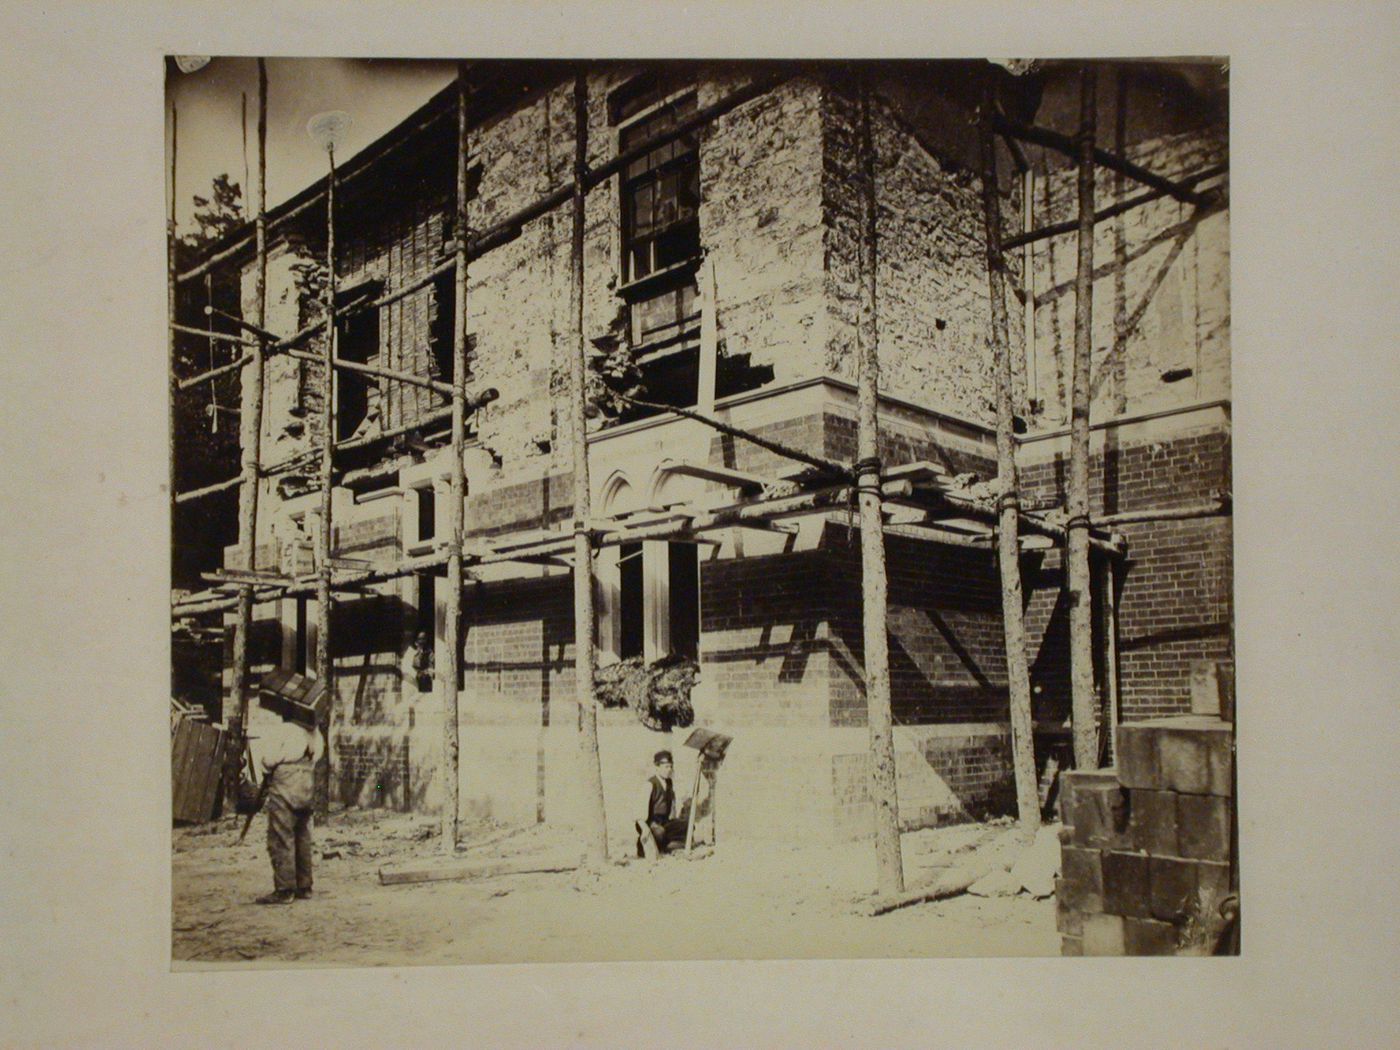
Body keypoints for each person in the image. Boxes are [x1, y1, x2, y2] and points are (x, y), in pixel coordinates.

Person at [255, 711, 325, 904]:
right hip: (306, 780)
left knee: (281, 834)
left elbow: (269, 759)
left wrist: (265, 769)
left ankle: (285, 889)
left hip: (285, 780)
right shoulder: (315, 733)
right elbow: (318, 756)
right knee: (302, 833)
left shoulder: (285, 730)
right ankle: (304, 885)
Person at [636, 750, 690, 858]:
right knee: (659, 832)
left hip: (664, 822)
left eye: (670, 767)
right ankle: (643, 847)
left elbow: (672, 804)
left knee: (687, 825)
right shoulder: (650, 784)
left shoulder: (669, 782)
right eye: (666, 767)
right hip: (650, 823)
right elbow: (639, 812)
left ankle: (666, 844)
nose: (669, 770)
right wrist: (645, 828)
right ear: (657, 767)